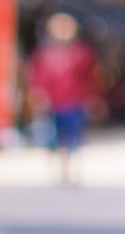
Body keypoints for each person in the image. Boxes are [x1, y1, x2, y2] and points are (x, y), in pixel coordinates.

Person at [27, 12, 102, 183]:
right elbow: (38, 77)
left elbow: (90, 78)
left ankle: (72, 168)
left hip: (75, 101)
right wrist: (39, 95)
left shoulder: (82, 52)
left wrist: (92, 98)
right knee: (54, 136)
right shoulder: (44, 53)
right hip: (53, 102)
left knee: (74, 135)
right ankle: (61, 168)